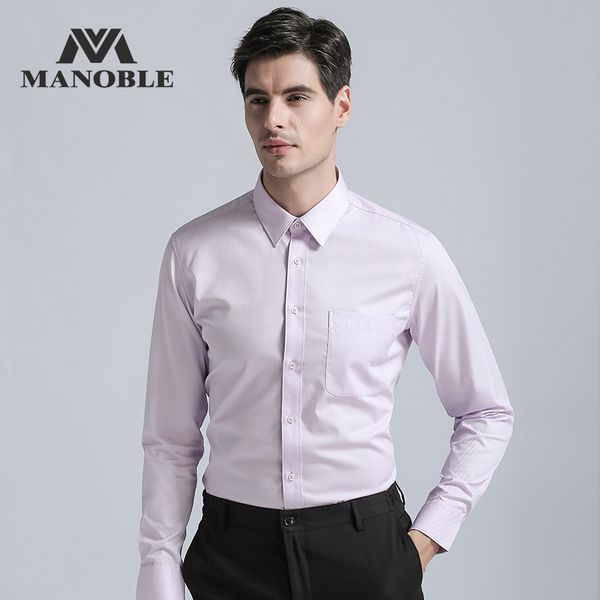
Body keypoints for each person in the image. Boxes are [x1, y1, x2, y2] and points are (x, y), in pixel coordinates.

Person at [135, 6, 515, 600]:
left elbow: (486, 411)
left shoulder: (408, 253)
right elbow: (170, 436)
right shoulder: (194, 252)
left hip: (365, 552)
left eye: (296, 97)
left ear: (342, 106)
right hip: (232, 554)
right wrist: (158, 573)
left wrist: (424, 540)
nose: (274, 119)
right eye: (257, 100)